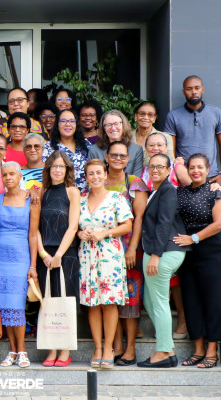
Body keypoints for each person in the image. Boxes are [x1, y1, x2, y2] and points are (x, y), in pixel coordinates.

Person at [173, 153, 221, 369]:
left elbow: (219, 224)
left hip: (214, 249)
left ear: (208, 170)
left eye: (200, 167)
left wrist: (195, 238)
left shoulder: (216, 192)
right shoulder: (180, 191)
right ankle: (198, 350)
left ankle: (211, 351)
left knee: (214, 299)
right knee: (192, 299)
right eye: (192, 167)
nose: (196, 170)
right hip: (188, 251)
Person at [78, 159, 133, 370]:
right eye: (91, 173)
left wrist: (106, 233)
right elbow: (74, 225)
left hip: (110, 254)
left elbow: (128, 224)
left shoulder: (116, 198)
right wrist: (79, 232)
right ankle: (97, 348)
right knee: (92, 303)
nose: (95, 177)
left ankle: (109, 348)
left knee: (108, 301)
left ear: (105, 174)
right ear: (86, 177)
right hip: (87, 255)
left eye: (98, 173)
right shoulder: (81, 199)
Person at [0, 161, 39, 368]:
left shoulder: (31, 200)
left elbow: (33, 235)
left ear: (19, 176)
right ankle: (12, 351)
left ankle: (22, 350)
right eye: (4, 174)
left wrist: (32, 265)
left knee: (17, 306)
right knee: (5, 305)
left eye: (12, 174)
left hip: (20, 256)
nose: (8, 178)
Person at [137, 153, 189, 368]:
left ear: (169, 170)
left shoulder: (168, 190)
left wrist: (156, 256)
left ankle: (162, 353)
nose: (155, 170)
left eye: (160, 167)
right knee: (150, 302)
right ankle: (169, 349)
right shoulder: (158, 191)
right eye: (152, 166)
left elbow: (164, 223)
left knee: (159, 303)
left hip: (164, 252)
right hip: (159, 251)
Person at [102, 142, 149, 366]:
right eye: (114, 155)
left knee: (131, 298)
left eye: (122, 155)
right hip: (104, 250)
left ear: (128, 158)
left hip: (130, 249)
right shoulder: (99, 180)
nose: (118, 158)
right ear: (107, 156)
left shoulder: (135, 183)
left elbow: (139, 218)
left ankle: (130, 348)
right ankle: (117, 346)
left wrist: (132, 248)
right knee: (111, 298)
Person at [37, 151, 81, 367]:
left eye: (61, 166)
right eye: (53, 166)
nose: (57, 170)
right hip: (44, 255)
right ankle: (51, 349)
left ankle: (65, 350)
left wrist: (59, 255)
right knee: (48, 302)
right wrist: (44, 254)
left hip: (66, 254)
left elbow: (73, 226)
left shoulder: (72, 192)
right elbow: (33, 228)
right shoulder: (40, 192)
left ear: (67, 170)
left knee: (65, 302)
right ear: (48, 169)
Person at [164, 75, 221, 184]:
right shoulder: (173, 116)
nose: (193, 92)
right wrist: (177, 173)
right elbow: (170, 150)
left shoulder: (215, 112)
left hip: (211, 176)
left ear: (202, 89)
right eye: (189, 89)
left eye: (197, 88)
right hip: (184, 176)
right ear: (184, 92)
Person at [43, 109, 91, 193]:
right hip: (60, 197)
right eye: (63, 121)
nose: (68, 124)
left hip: (86, 197)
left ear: (76, 124)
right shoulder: (48, 147)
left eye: (72, 121)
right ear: (57, 124)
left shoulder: (86, 145)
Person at [88, 110, 143, 176]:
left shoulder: (136, 150)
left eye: (116, 124)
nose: (113, 128)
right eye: (108, 125)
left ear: (123, 125)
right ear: (103, 128)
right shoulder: (94, 150)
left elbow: (137, 178)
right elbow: (91, 176)